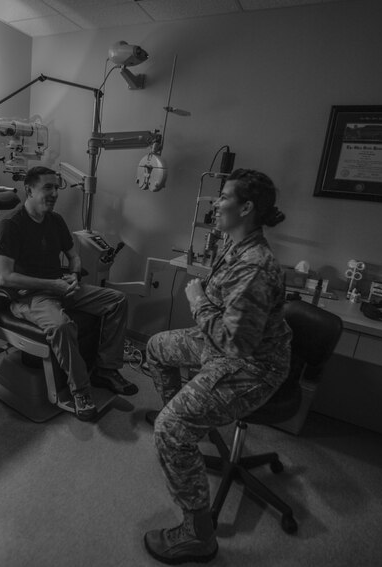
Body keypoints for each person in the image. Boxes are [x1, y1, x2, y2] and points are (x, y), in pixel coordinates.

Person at [143, 168, 291, 563]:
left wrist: (197, 301)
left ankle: (198, 535)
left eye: (223, 196)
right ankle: (187, 425)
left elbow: (237, 343)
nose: (215, 202)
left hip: (252, 367)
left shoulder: (255, 266)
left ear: (245, 207)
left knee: (169, 429)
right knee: (157, 346)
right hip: (218, 345)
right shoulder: (234, 243)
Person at [0, 166, 138, 421]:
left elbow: (73, 255)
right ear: (29, 189)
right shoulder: (11, 223)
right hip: (30, 297)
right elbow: (4, 277)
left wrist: (73, 274)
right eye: (47, 187)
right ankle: (80, 390)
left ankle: (105, 369)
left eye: (56, 187)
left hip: (61, 286)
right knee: (62, 325)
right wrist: (52, 286)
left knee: (117, 301)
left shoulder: (55, 221)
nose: (54, 193)